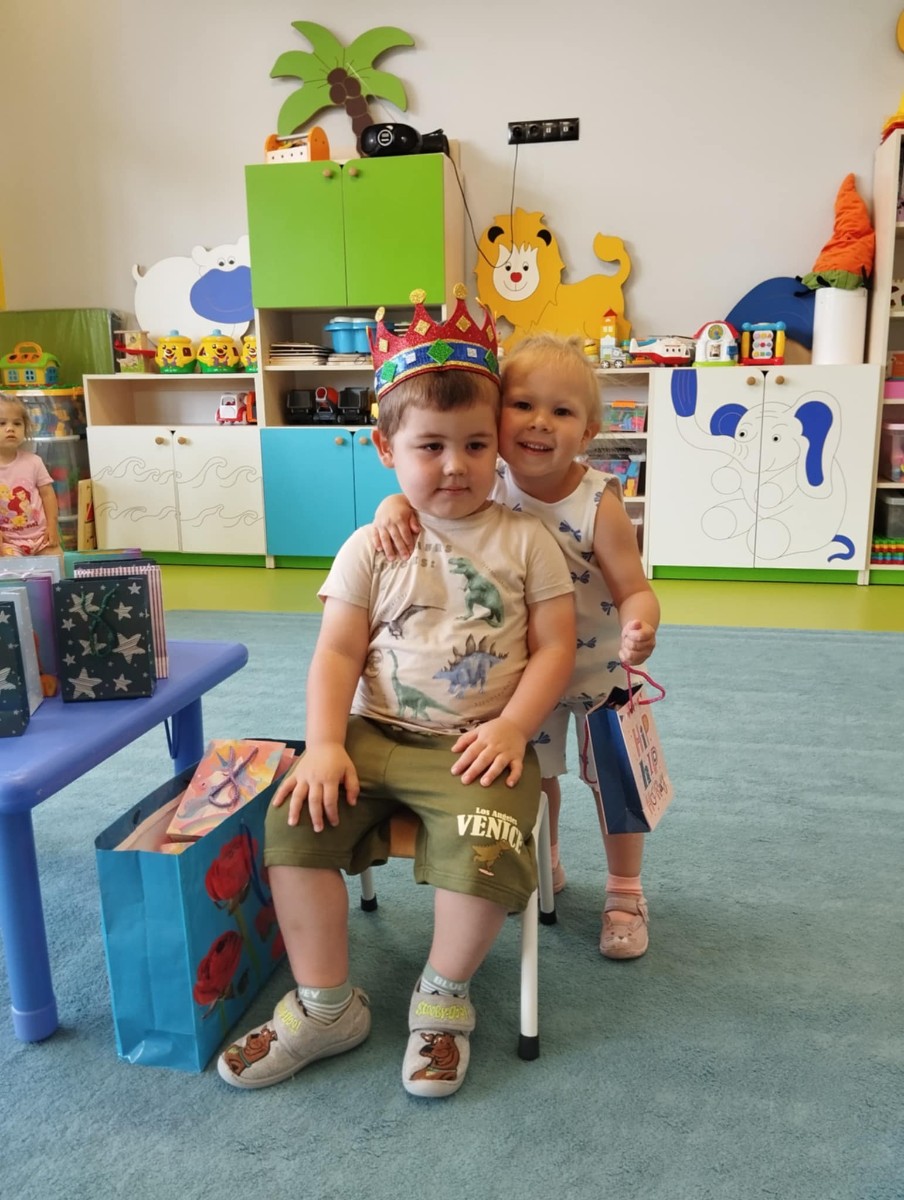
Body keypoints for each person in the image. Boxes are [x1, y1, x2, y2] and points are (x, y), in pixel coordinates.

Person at [218, 289, 576, 1098]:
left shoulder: (528, 541)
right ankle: (325, 1007)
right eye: (430, 446)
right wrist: (324, 745)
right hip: (370, 736)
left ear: (498, 446)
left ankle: (443, 998)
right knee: (292, 823)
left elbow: (556, 646)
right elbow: (337, 652)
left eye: (475, 445)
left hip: (477, 745)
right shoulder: (369, 545)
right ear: (386, 448)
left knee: (488, 841)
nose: (455, 465)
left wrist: (515, 727)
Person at [373, 332, 661, 960]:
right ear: (495, 416)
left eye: (562, 411)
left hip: (600, 671)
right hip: (525, 676)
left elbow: (635, 587)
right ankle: (546, 864)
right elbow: (427, 496)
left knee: (615, 784)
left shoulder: (598, 502)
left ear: (587, 432)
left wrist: (641, 625)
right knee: (535, 775)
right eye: (523, 405)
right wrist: (394, 501)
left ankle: (625, 892)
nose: (539, 422)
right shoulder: (485, 480)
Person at [0, 393, 61, 557]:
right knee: (10, 568)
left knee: (57, 561)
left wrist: (52, 527)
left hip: (41, 537)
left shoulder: (34, 462)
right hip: (8, 542)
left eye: (17, 423)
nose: (10, 428)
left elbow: (48, 495)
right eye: (2, 423)